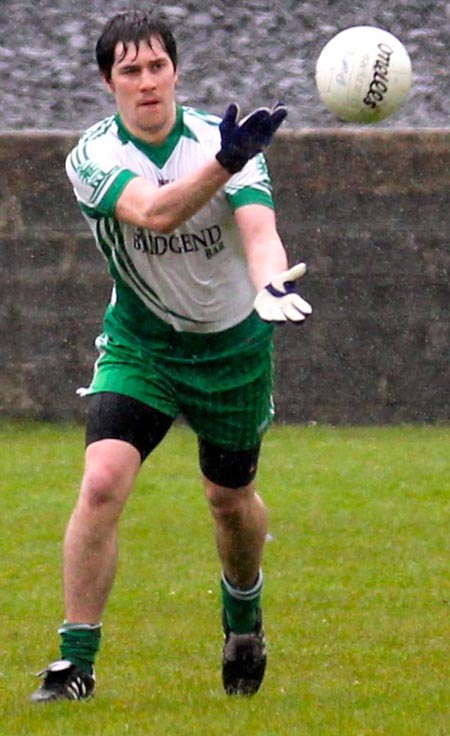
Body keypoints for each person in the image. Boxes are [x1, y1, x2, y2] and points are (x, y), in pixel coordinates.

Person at [30, 8, 312, 702]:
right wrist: (227, 161)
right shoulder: (95, 155)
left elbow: (258, 229)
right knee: (101, 482)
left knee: (228, 499)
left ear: (176, 71)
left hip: (234, 347)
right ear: (108, 82)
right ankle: (74, 665)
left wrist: (270, 277)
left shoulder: (223, 142)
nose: (148, 81)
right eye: (131, 70)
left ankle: (243, 617)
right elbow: (155, 214)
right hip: (143, 342)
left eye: (158, 65)